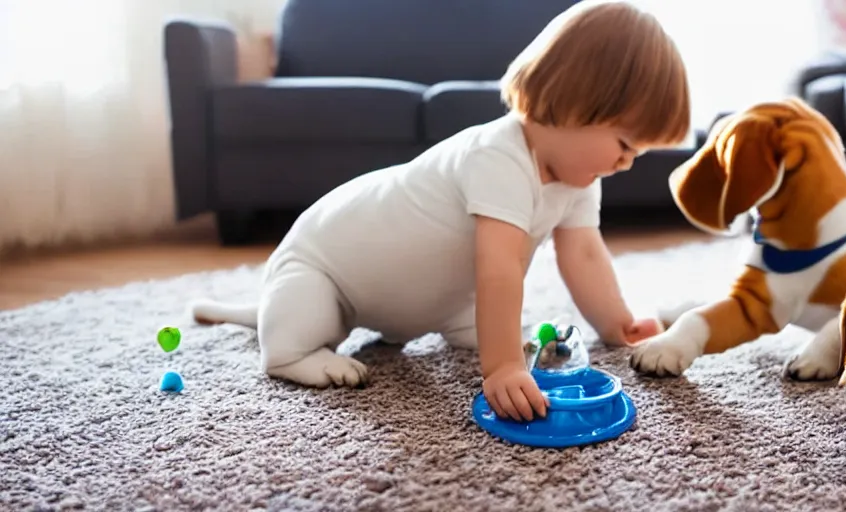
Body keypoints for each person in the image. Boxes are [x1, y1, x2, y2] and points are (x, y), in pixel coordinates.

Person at [190, 0, 691, 423]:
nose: (625, 164)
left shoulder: (580, 176)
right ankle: (287, 351)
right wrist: (502, 368)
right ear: (576, 104)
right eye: (624, 145)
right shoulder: (499, 154)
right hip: (331, 268)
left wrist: (618, 323)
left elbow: (583, 254)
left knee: (476, 298)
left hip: (425, 298)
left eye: (637, 155)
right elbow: (497, 268)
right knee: (309, 297)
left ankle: (452, 323)